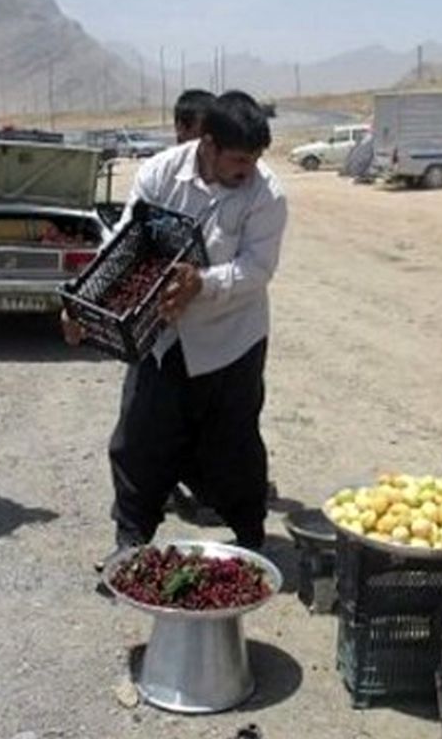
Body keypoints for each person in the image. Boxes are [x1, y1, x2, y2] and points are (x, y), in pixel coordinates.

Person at [65, 91, 287, 564]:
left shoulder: (266, 194)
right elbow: (122, 245)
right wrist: (84, 304)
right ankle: (130, 542)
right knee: (140, 438)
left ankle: (249, 540)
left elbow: (257, 269)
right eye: (238, 159)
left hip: (231, 341)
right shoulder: (161, 174)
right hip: (162, 338)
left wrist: (201, 284)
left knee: (233, 444)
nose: (247, 170)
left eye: (254, 159)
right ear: (208, 144)